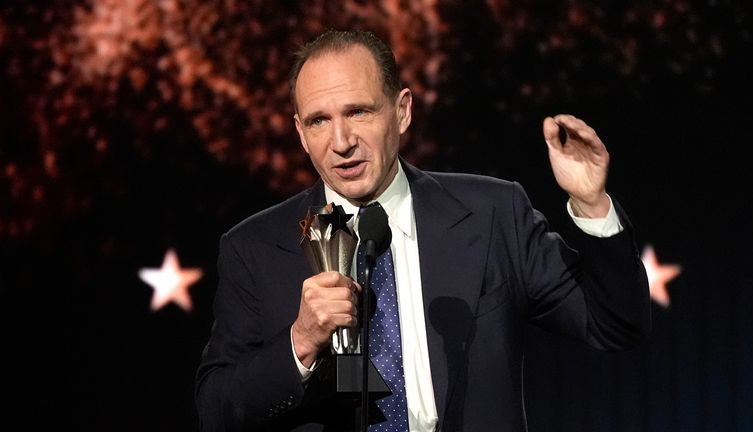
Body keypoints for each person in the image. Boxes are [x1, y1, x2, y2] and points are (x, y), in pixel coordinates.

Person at [195, 29, 651, 432]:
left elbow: (614, 325)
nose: (341, 142)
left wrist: (592, 204)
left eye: (358, 112)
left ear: (402, 111)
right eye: (319, 121)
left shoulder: (493, 214)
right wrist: (299, 341)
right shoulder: (253, 248)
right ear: (300, 132)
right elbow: (216, 411)